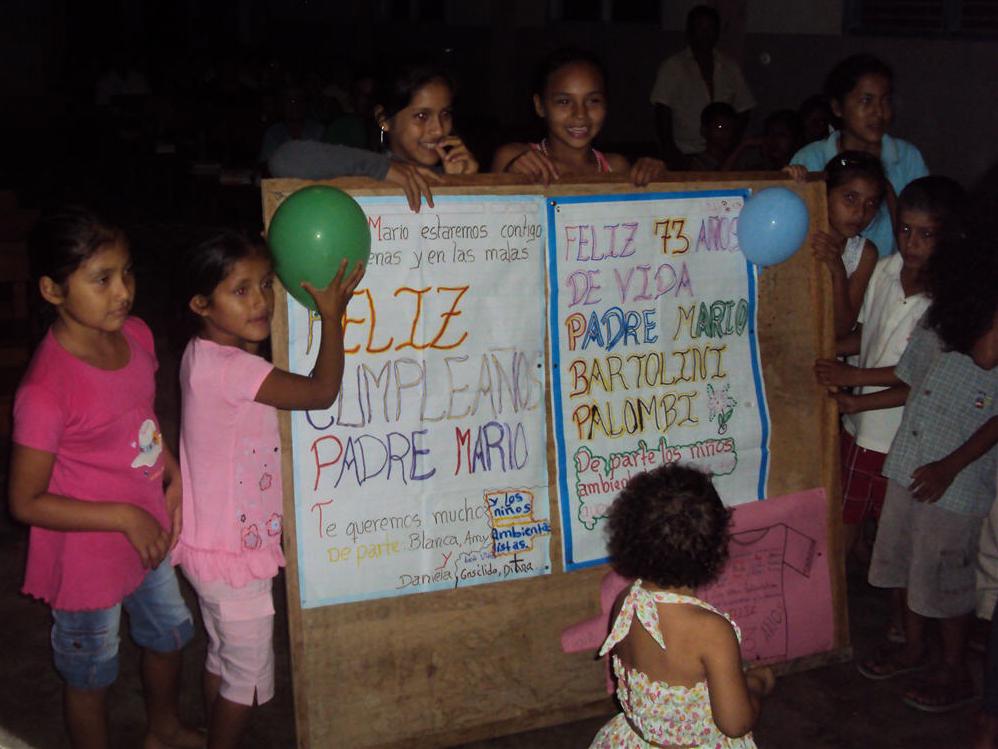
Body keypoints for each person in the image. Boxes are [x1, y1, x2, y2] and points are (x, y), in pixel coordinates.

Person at [7, 206, 201, 748]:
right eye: (102, 279)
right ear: (52, 290)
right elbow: (25, 501)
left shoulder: (134, 337)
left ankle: (161, 729)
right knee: (91, 671)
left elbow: (140, 418)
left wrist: (171, 468)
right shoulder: (46, 391)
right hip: (88, 556)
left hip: (146, 536)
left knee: (167, 636)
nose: (123, 292)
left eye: (127, 272)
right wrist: (123, 516)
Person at [172, 230, 363, 748]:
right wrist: (330, 316)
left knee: (220, 653)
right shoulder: (238, 370)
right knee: (248, 678)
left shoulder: (199, 354)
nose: (260, 301)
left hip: (206, 548)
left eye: (264, 285)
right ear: (201, 303)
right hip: (237, 557)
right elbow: (321, 392)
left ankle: (214, 736)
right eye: (241, 291)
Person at [853, 183, 996, 713]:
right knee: (899, 563)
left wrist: (953, 464)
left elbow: (986, 366)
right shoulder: (950, 296)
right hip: (912, 456)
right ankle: (914, 648)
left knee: (947, 577)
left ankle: (955, 670)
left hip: (958, 472)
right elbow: (914, 375)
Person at [815, 177, 964, 574]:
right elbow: (867, 333)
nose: (911, 243)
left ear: (947, 237)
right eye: (905, 230)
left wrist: (854, 376)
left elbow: (919, 377)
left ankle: (890, 617)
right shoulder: (884, 270)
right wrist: (823, 352)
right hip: (858, 423)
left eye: (926, 234)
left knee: (890, 533)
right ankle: (838, 603)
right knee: (845, 518)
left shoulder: (947, 298)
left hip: (898, 435)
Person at [589, 465, 774, 748]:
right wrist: (757, 685)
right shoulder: (712, 632)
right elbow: (735, 723)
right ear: (715, 547)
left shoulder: (627, 601)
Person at [789, 54, 928, 257]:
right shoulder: (810, 159)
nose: (878, 112)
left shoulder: (908, 158)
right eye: (866, 100)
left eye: (886, 101)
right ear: (837, 107)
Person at [492, 48, 667, 186]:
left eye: (593, 101)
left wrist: (658, 180)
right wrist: (509, 178)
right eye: (564, 101)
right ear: (540, 106)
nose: (580, 114)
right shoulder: (515, 158)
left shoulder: (616, 167)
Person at [650, 5, 755, 169]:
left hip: (722, 155)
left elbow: (744, 108)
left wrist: (733, 143)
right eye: (700, 28)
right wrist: (671, 152)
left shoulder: (729, 67)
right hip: (684, 153)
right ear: (689, 32)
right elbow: (662, 112)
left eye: (711, 28)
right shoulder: (672, 67)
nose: (706, 34)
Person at [813, 151, 887, 340]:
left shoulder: (864, 253)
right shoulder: (802, 233)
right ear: (825, 193)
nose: (860, 212)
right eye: (850, 198)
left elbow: (841, 329)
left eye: (871, 203)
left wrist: (838, 271)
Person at [373, 62, 479, 175]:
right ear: (384, 119)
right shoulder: (363, 182)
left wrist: (462, 184)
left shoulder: (452, 173)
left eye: (445, 114)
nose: (439, 131)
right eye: (421, 116)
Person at [724, 109, 803, 172]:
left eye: (781, 135)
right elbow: (721, 179)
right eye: (769, 134)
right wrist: (743, 144)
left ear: (795, 138)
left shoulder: (805, 168)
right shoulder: (760, 171)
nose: (773, 140)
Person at [687, 102, 739, 171]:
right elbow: (720, 178)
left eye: (730, 127)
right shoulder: (697, 163)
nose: (727, 132)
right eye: (720, 127)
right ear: (704, 130)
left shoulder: (739, 159)